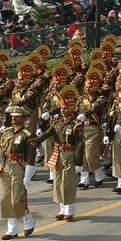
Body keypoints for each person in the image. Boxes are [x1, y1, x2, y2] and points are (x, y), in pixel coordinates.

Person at [37, 85, 84, 220]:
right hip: (58, 153)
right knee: (58, 181)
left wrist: (79, 162)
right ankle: (61, 208)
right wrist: (35, 141)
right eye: (62, 108)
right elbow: (48, 133)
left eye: (66, 108)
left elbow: (80, 144)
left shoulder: (76, 124)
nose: (63, 110)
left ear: (72, 109)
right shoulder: (57, 122)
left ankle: (69, 208)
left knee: (67, 182)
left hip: (70, 155)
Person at [0, 106, 38, 240]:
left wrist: (28, 175)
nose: (13, 118)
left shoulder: (28, 136)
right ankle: (12, 228)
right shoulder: (7, 132)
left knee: (17, 198)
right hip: (6, 165)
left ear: (24, 118)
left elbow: (30, 157)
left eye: (17, 116)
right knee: (5, 197)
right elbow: (3, 148)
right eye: (12, 116)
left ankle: (28, 219)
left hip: (20, 166)